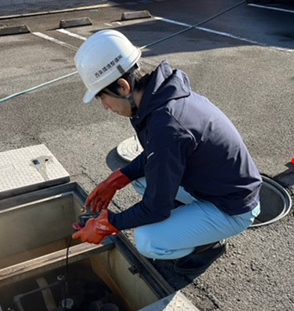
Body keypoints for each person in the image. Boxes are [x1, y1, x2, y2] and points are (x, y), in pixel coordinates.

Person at [72, 30, 262, 274]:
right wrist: (119, 178)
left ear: (123, 86)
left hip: (231, 208)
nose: (105, 107)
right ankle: (187, 223)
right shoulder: (158, 98)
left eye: (103, 97)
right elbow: (156, 155)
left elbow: (156, 207)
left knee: (148, 241)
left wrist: (108, 224)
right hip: (214, 187)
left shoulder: (167, 124)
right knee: (140, 179)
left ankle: (205, 244)